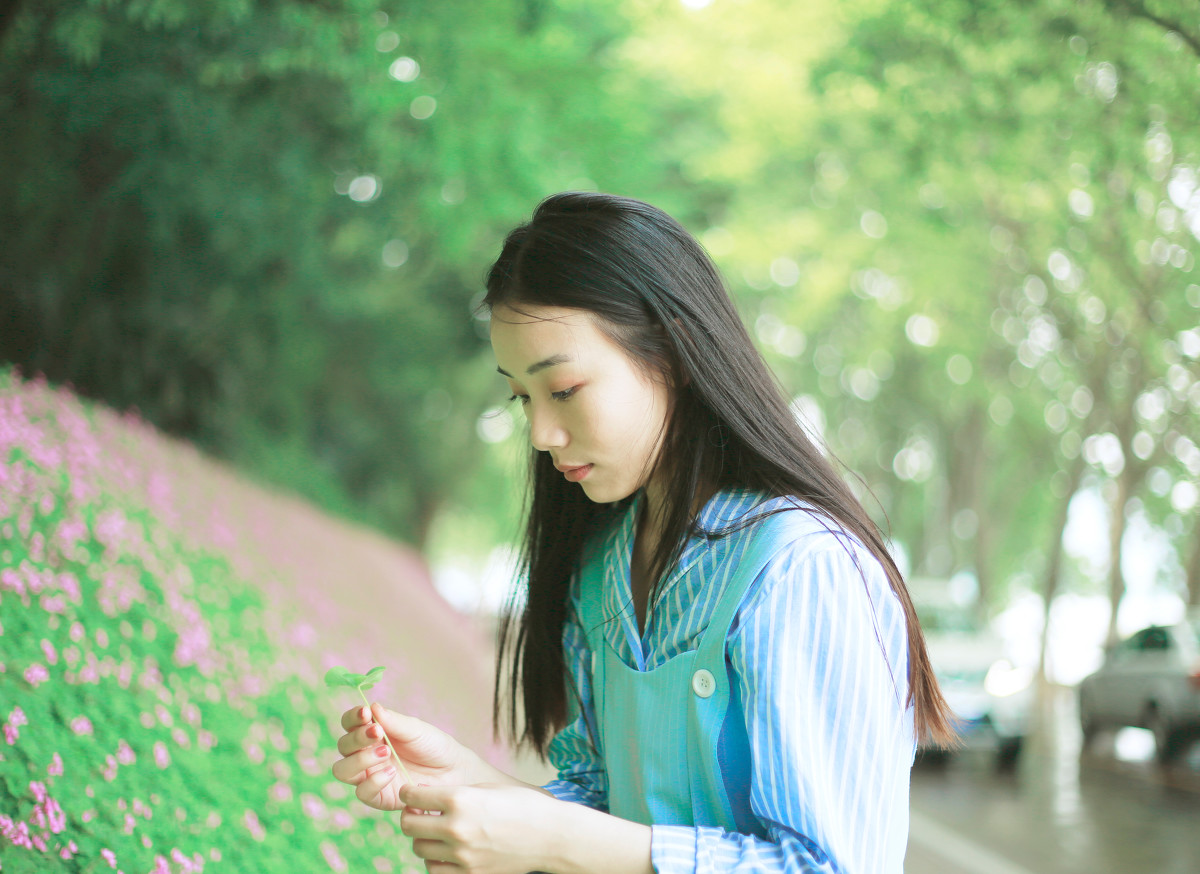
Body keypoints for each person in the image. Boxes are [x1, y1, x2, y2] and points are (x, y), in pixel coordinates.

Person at [332, 192, 956, 873]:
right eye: (522, 397)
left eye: (563, 389)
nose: (540, 434)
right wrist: (471, 785)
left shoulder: (800, 569)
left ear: (673, 354)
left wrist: (550, 838)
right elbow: (602, 814)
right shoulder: (603, 565)